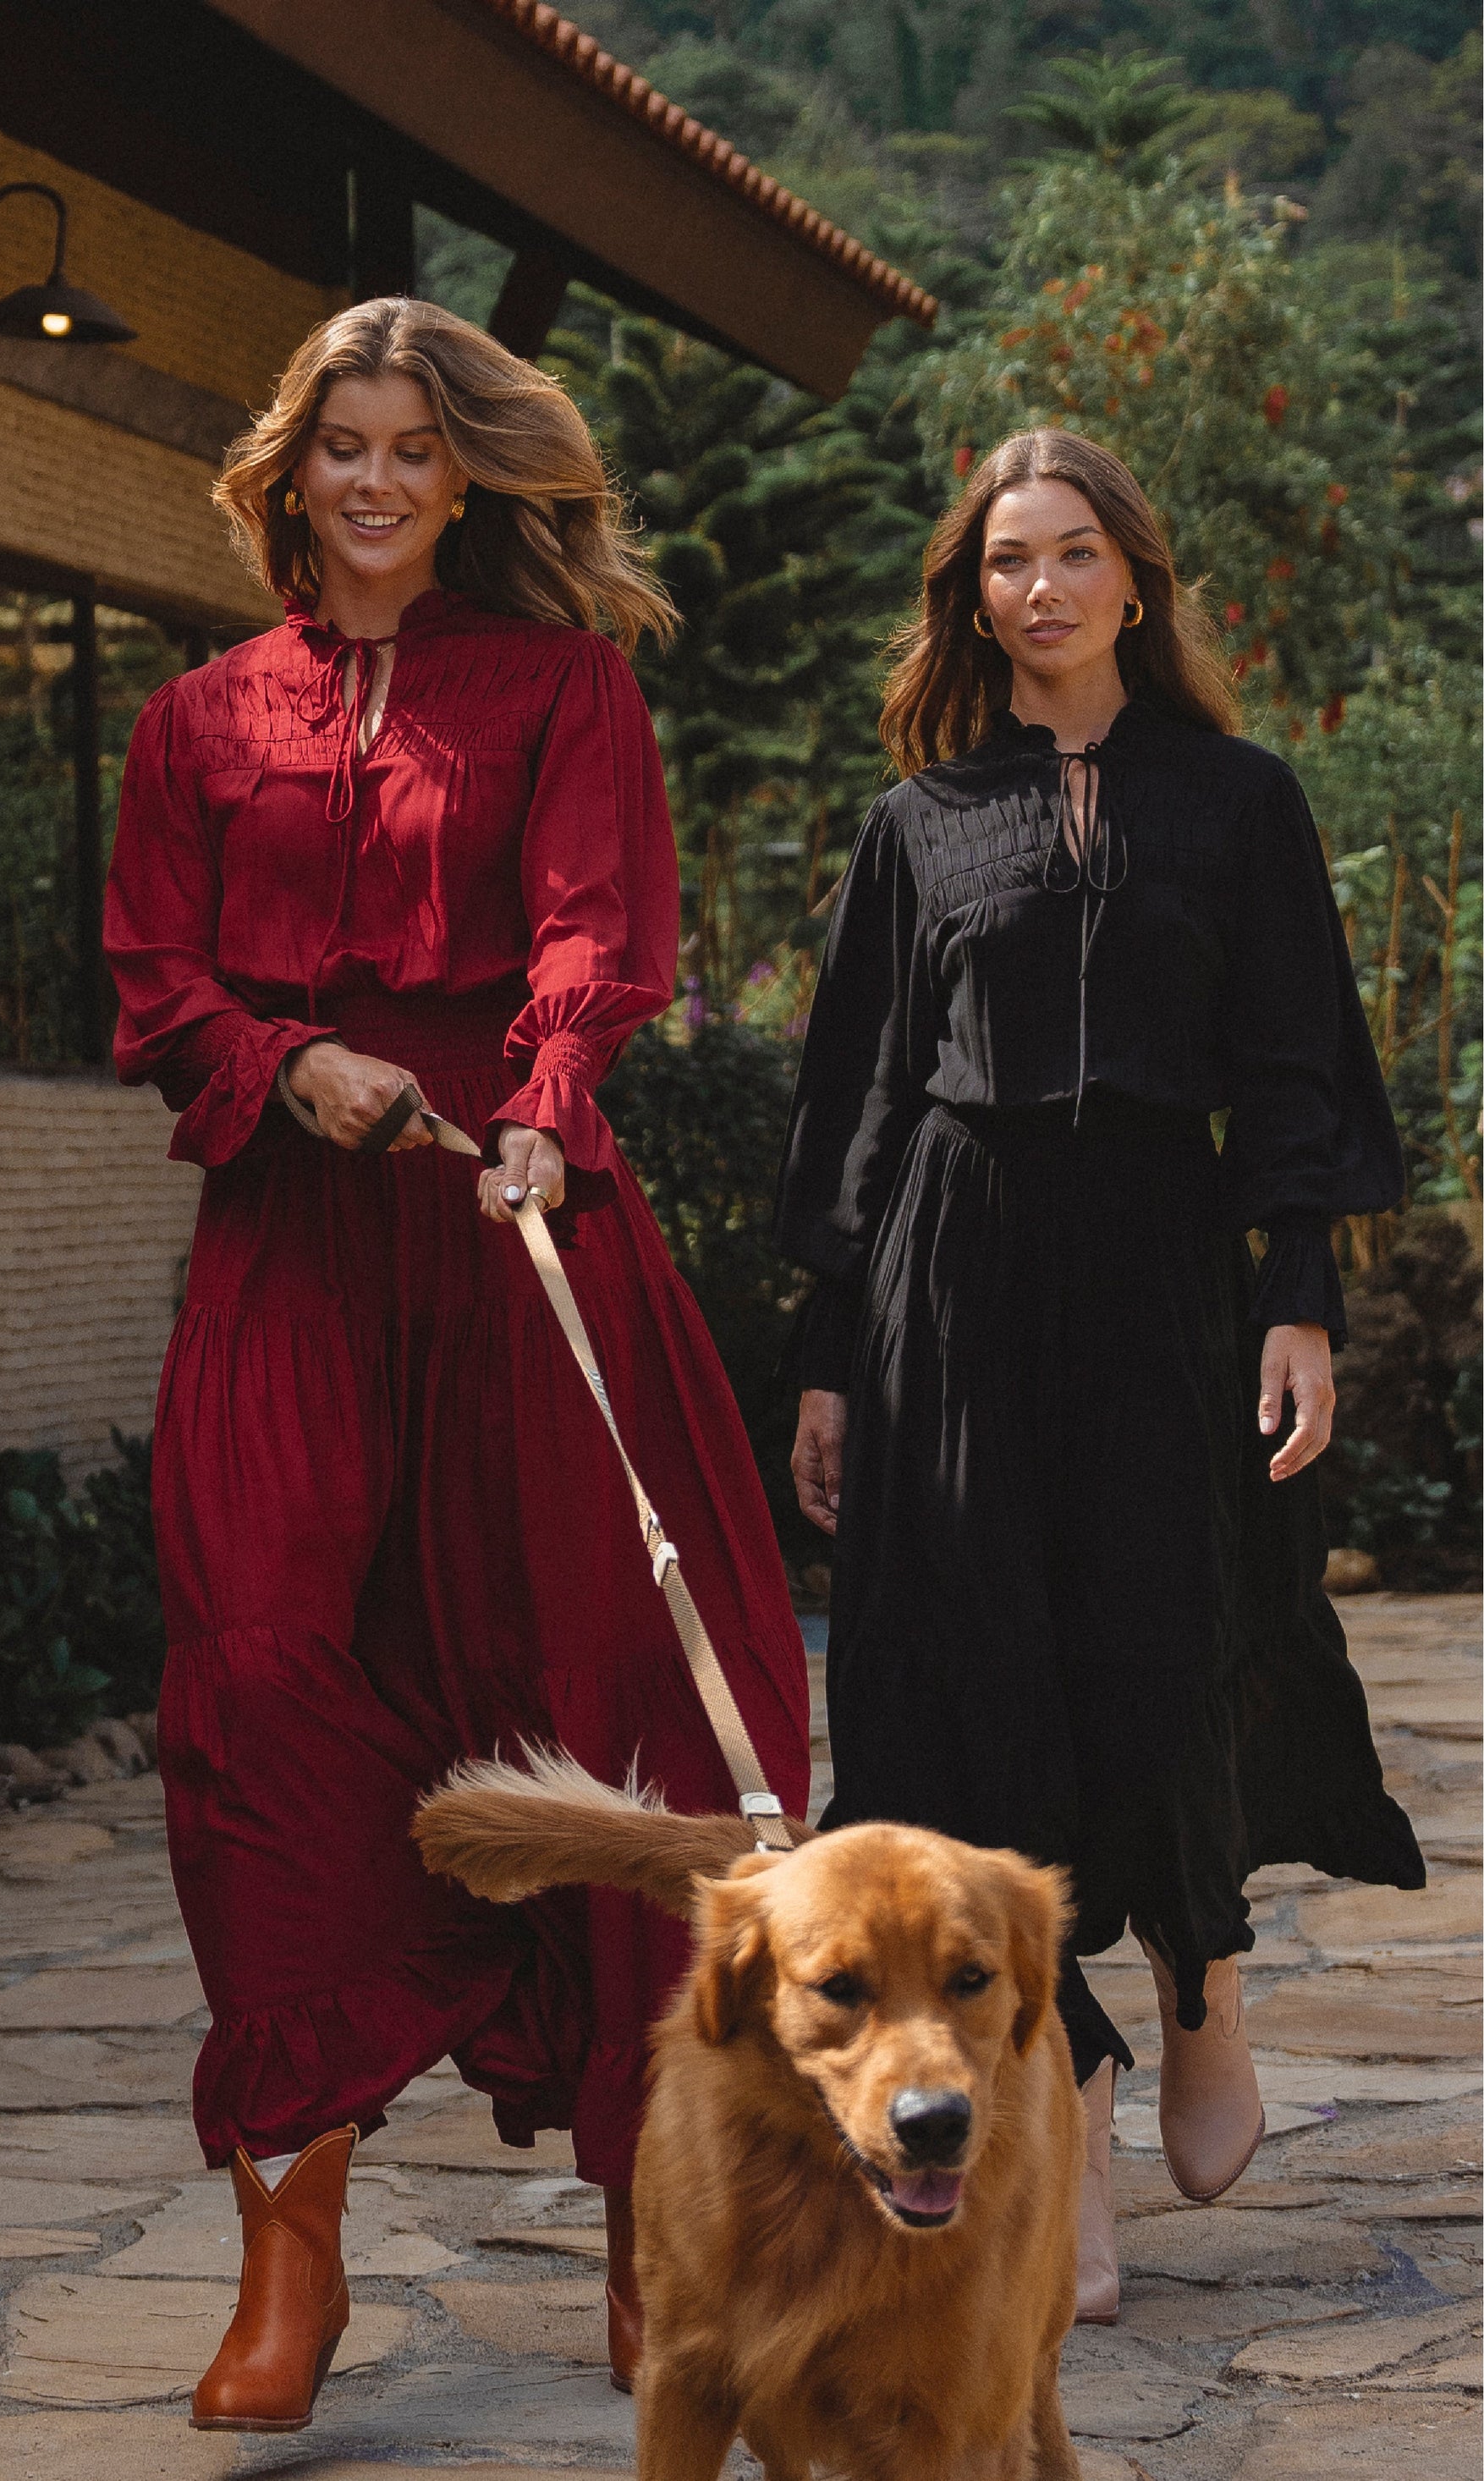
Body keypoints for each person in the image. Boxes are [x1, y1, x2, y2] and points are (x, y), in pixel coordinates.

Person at [103, 296, 808, 2431]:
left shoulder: (565, 685)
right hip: (291, 1249)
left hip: (522, 1229)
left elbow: (606, 928)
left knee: (594, 1710)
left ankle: (645, 2227)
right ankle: (288, 2239)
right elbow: (153, 972)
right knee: (256, 1680)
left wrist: (544, 1084)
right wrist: (279, 1052)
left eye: (419, 446)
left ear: (469, 472)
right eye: (347, 446)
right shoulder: (197, 718)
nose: (382, 480)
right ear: (291, 474)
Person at [775, 430, 1422, 2324]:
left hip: (1159, 1281)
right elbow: (861, 1101)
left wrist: (1294, 1294)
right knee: (982, 1697)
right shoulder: (921, 820)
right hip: (953, 1290)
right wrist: (827, 1356)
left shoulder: (1237, 801)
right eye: (1003, 560)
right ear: (969, 592)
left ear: (1134, 579)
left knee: (1166, 1648)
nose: (1035, 588)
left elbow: (1295, 1065)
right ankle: (1067, 2138)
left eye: (1069, 554)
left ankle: (1202, 1980)